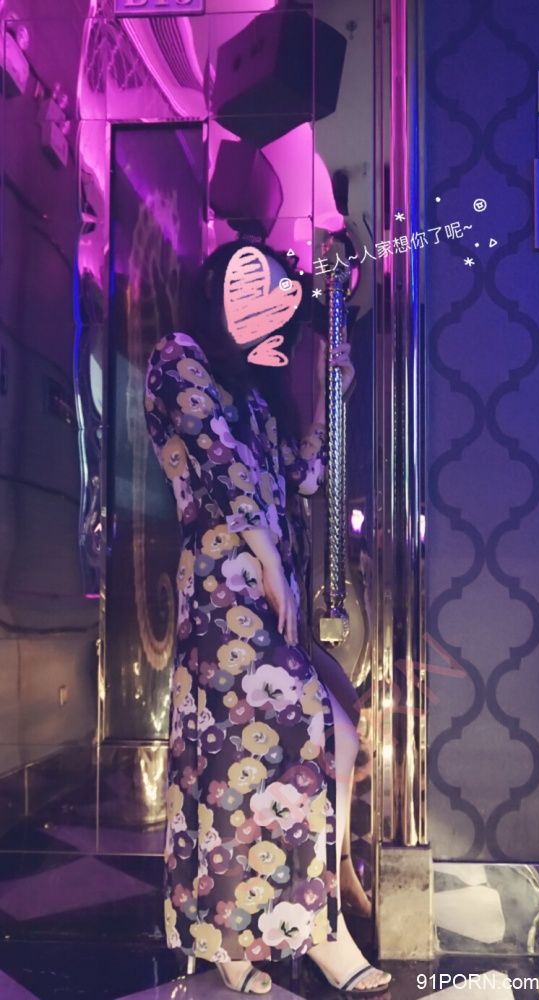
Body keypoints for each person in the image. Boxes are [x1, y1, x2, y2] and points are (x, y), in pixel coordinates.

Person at [143, 239, 392, 995]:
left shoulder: (254, 391)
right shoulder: (177, 356)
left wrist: (333, 397)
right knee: (239, 766)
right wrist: (267, 558)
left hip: (265, 595)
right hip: (225, 593)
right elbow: (221, 464)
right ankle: (272, 941)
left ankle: (297, 928)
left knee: (307, 745)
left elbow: (301, 477)